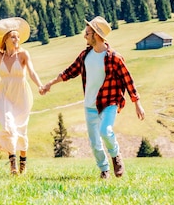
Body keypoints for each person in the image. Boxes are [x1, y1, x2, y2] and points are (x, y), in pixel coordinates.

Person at [42, 16, 145, 179]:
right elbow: (70, 71)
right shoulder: (85, 55)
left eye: (88, 33)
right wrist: (50, 83)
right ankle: (104, 169)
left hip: (109, 102)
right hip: (90, 105)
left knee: (106, 131)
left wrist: (137, 103)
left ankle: (115, 156)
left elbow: (128, 80)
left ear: (96, 35)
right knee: (95, 143)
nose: (85, 35)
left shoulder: (114, 58)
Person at [0, 17, 44, 175]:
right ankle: (13, 165)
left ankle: (23, 166)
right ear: (6, 39)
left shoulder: (23, 54)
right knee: (9, 126)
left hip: (22, 95)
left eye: (18, 36)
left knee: (22, 130)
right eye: (13, 36)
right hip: (5, 95)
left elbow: (32, 72)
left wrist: (39, 85)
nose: (17, 39)